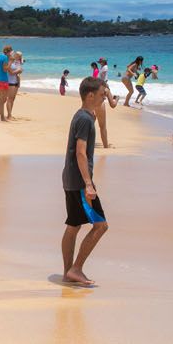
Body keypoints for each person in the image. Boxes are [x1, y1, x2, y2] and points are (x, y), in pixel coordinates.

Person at [61, 77, 110, 287]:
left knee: (73, 225)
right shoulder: (84, 119)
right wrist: (88, 184)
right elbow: (81, 152)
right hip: (80, 181)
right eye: (101, 95)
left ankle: (68, 272)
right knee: (100, 226)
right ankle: (76, 268)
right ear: (90, 95)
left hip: (71, 178)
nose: (103, 98)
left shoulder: (83, 116)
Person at [95, 69, 119, 148]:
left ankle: (86, 143)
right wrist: (117, 99)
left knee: (89, 124)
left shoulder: (94, 88)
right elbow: (112, 105)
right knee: (102, 127)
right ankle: (105, 146)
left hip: (90, 103)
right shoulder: (106, 89)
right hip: (99, 104)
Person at [3, 50, 23, 120]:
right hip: (10, 81)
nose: (18, 56)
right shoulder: (10, 62)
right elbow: (11, 72)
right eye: (17, 55)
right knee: (10, 99)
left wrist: (19, 82)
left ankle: (10, 114)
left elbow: (18, 73)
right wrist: (19, 70)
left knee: (13, 99)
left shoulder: (17, 62)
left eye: (20, 56)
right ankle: (9, 115)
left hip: (15, 81)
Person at [0, 46, 13, 121]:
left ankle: (1, 117)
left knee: (2, 99)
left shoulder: (0, 56)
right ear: (9, 52)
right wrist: (11, 62)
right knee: (3, 100)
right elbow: (5, 69)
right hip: (3, 80)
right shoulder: (5, 58)